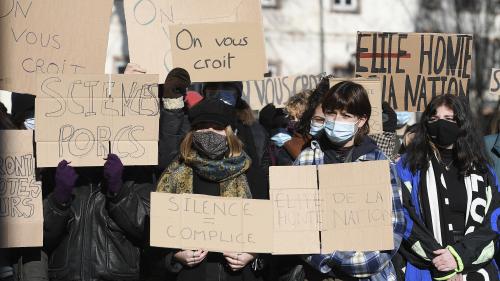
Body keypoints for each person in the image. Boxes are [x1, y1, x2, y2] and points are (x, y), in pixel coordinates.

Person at [295, 81, 405, 280]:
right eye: (331, 113)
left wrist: (361, 263)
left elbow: (394, 224)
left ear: (361, 120)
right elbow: (294, 222)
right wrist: (328, 259)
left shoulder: (378, 162)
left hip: (370, 274)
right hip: (319, 274)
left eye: (346, 116)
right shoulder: (307, 159)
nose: (337, 120)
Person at [156, 98, 263, 281]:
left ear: (229, 132)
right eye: (203, 126)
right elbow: (156, 233)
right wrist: (174, 256)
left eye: (217, 127)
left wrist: (252, 255)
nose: (210, 132)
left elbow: (266, 229)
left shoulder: (250, 173)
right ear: (193, 132)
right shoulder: (174, 171)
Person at [396, 94, 499, 281]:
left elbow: (493, 222)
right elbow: (403, 217)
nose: (440, 124)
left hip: (474, 269)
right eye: (434, 119)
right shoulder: (407, 165)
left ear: (462, 123)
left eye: (449, 119)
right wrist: (442, 261)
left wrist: (458, 257)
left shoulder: (483, 170)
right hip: (426, 268)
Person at [42, 155, 151, 281]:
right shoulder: (55, 173)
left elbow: (148, 229)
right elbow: (40, 238)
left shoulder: (136, 174)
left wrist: (120, 192)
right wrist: (58, 201)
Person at [202, 81, 270, 200]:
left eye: (227, 91)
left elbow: (262, 174)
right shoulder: (193, 124)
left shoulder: (255, 131)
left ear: (237, 96)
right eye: (213, 91)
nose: (219, 96)